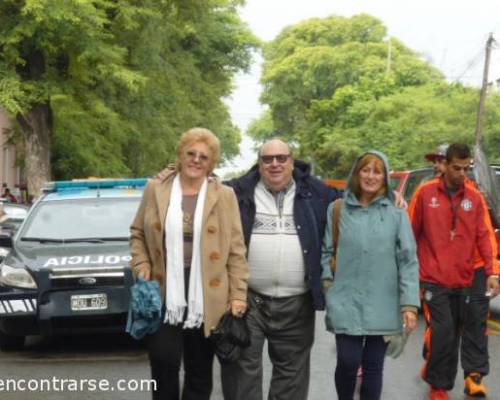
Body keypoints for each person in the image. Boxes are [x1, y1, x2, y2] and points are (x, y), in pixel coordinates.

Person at [129, 127, 250, 400]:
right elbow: (137, 233)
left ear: (211, 163)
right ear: (180, 156)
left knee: (199, 369)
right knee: (163, 360)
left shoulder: (225, 195)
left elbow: (236, 249)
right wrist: (141, 265)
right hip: (162, 289)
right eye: (191, 154)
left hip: (208, 293)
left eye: (203, 157)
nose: (196, 160)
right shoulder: (156, 188)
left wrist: (239, 294)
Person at [220, 138, 342, 400]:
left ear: (291, 160)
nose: (275, 164)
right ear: (259, 163)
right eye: (267, 159)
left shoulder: (315, 192)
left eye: (281, 158)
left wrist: (392, 196)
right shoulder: (236, 191)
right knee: (242, 376)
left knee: (291, 380)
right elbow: (197, 187)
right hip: (248, 301)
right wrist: (167, 177)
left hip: (297, 303)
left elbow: (358, 198)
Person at [320, 151, 420, 400]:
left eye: (377, 171)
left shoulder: (397, 213)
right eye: (366, 170)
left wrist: (409, 304)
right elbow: (326, 252)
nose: (371, 176)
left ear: (385, 178)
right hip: (345, 300)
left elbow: (408, 260)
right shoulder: (338, 209)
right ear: (356, 173)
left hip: (383, 301)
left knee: (374, 367)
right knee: (347, 360)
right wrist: (328, 285)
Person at [408, 143, 500, 400]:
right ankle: (439, 385)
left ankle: (474, 378)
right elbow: (409, 234)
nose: (462, 173)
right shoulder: (425, 193)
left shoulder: (475, 197)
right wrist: (406, 273)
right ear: (445, 165)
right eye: (456, 168)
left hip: (469, 276)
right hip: (433, 278)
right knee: (445, 331)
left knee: (474, 326)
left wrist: (493, 271)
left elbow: (484, 236)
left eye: (466, 168)